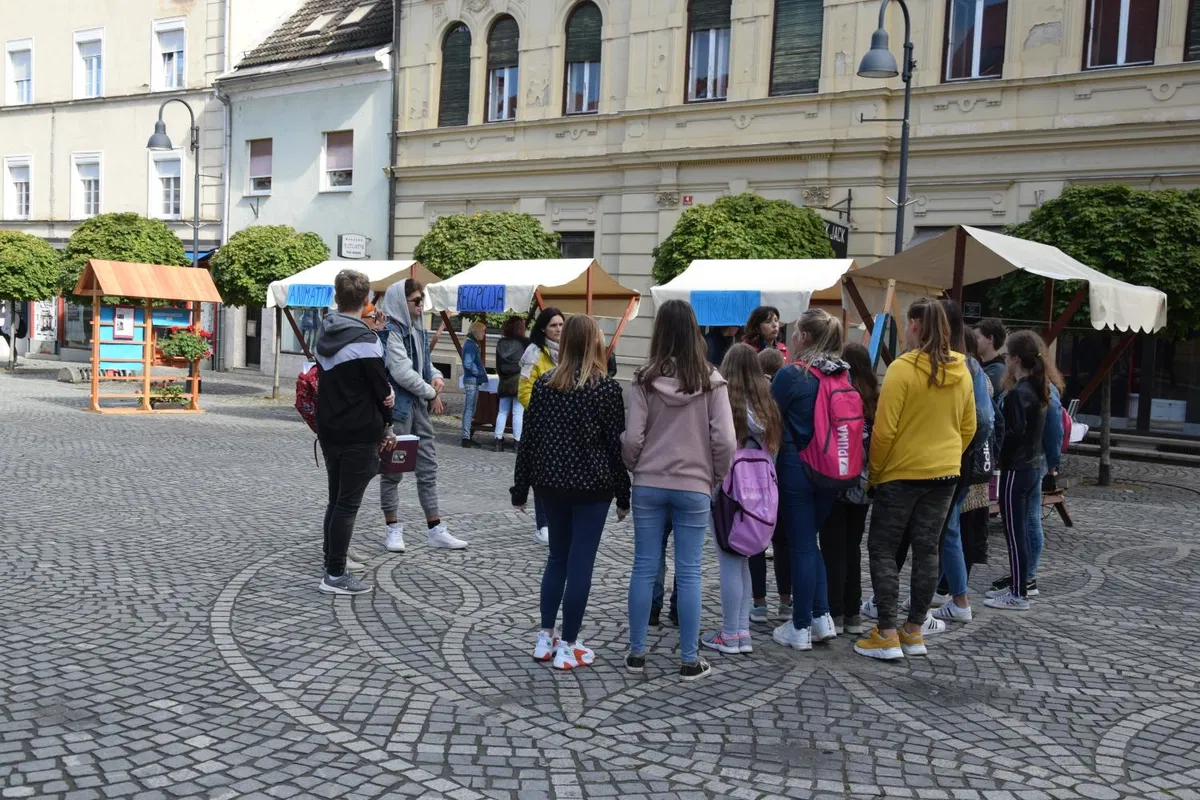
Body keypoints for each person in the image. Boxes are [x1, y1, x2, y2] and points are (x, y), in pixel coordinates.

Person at [854, 299, 975, 661]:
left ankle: (887, 632)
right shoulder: (962, 371)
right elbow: (969, 427)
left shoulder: (903, 370)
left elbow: (884, 431)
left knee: (883, 550)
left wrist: (875, 473)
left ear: (916, 326)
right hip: (944, 472)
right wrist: (948, 453)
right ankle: (914, 630)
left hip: (901, 473)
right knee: (927, 550)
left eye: (908, 323)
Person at [624, 299, 735, 682]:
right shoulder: (712, 381)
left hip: (650, 483)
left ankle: (637, 652)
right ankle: (689, 658)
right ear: (694, 332)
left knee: (643, 566)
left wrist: (633, 462)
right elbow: (725, 441)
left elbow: (634, 437)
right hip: (694, 485)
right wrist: (714, 478)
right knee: (689, 573)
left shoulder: (644, 380)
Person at [513, 315, 630, 671]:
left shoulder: (546, 384)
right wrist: (624, 496)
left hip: (552, 483)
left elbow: (528, 442)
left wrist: (520, 490)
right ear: (594, 342)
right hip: (592, 487)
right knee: (580, 563)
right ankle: (568, 644)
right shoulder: (606, 389)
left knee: (557, 559)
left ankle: (545, 636)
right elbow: (616, 448)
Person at [770, 309, 849, 652]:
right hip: (833, 470)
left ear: (803, 337)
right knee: (810, 542)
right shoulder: (841, 376)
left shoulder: (793, 375)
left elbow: (769, 417)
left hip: (797, 467)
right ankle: (821, 616)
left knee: (801, 545)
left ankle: (800, 626)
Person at [314, 270, 395, 595]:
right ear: (366, 302)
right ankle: (335, 574)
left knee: (336, 500)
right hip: (359, 430)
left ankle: (332, 558)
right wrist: (387, 408)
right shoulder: (366, 340)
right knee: (347, 504)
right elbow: (380, 388)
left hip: (330, 427)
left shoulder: (325, 333)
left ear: (337, 298)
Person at [702, 344, 782, 656]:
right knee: (746, 560)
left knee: (728, 561)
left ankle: (729, 633)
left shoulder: (725, 403)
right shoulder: (768, 407)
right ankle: (743, 632)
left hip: (727, 493)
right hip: (760, 496)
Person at [377, 280, 469, 553]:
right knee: (393, 471)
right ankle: (392, 529)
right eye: (416, 301)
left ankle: (435, 529)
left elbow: (424, 363)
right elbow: (401, 371)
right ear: (401, 301)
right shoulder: (391, 331)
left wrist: (437, 376)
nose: (421, 306)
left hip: (418, 407)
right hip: (400, 409)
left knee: (428, 468)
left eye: (421, 301)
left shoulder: (417, 329)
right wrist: (431, 392)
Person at [927, 299, 995, 625]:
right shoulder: (969, 365)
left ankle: (959, 599)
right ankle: (949, 595)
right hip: (956, 459)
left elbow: (983, 420)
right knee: (945, 528)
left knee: (947, 530)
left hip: (948, 461)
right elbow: (984, 420)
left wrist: (959, 447)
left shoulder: (963, 366)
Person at [985, 330, 1049, 612]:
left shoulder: (1020, 393)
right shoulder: (1036, 387)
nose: (1006, 361)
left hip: (1016, 468)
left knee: (1014, 533)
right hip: (1030, 466)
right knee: (1018, 532)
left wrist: (998, 450)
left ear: (1015, 359)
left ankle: (1017, 592)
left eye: (1008, 356)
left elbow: (1014, 433)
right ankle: (1018, 589)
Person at [819, 342, 877, 636]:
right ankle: (853, 614)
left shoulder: (842, 394)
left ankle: (834, 612)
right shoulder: (876, 399)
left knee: (832, 549)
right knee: (853, 548)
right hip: (864, 485)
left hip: (838, 481)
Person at [749, 345, 792, 623]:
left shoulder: (754, 400)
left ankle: (759, 603)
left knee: (755, 542)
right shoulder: (784, 397)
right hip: (782, 478)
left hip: (755, 479)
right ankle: (786, 601)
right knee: (783, 542)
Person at [520, 308, 565, 547]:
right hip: (541, 423)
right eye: (553, 325)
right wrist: (544, 414)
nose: (559, 329)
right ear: (543, 329)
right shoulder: (534, 353)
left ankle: (559, 520)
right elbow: (524, 391)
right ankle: (543, 524)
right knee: (542, 475)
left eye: (561, 325)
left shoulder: (568, 353)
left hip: (565, 425)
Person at [493, 316, 528, 453]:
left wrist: (502, 376)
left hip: (504, 380)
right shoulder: (525, 343)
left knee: (502, 412)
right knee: (518, 413)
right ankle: (517, 442)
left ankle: (497, 440)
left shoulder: (501, 343)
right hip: (519, 380)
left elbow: (498, 364)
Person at [460, 320, 490, 448]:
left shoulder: (471, 343)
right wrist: (478, 372)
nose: (484, 333)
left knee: (470, 409)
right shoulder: (471, 345)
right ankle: (466, 437)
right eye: (483, 331)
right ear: (477, 331)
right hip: (472, 381)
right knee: (469, 409)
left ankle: (467, 436)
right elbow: (468, 364)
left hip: (472, 380)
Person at [975, 318, 1008, 393]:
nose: (973, 341)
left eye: (977, 337)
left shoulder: (997, 372)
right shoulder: (979, 364)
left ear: (990, 338)